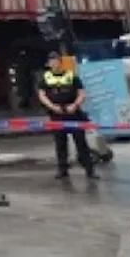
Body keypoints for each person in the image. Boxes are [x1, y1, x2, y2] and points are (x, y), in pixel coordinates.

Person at [36, 51, 97, 180]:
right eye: (52, 61)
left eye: (57, 60)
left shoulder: (72, 76)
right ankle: (63, 170)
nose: (55, 63)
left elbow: (81, 93)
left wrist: (74, 105)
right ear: (49, 63)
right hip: (56, 114)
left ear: (61, 62)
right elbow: (42, 95)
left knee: (81, 143)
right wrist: (52, 107)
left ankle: (89, 170)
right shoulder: (45, 78)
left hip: (73, 113)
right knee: (60, 143)